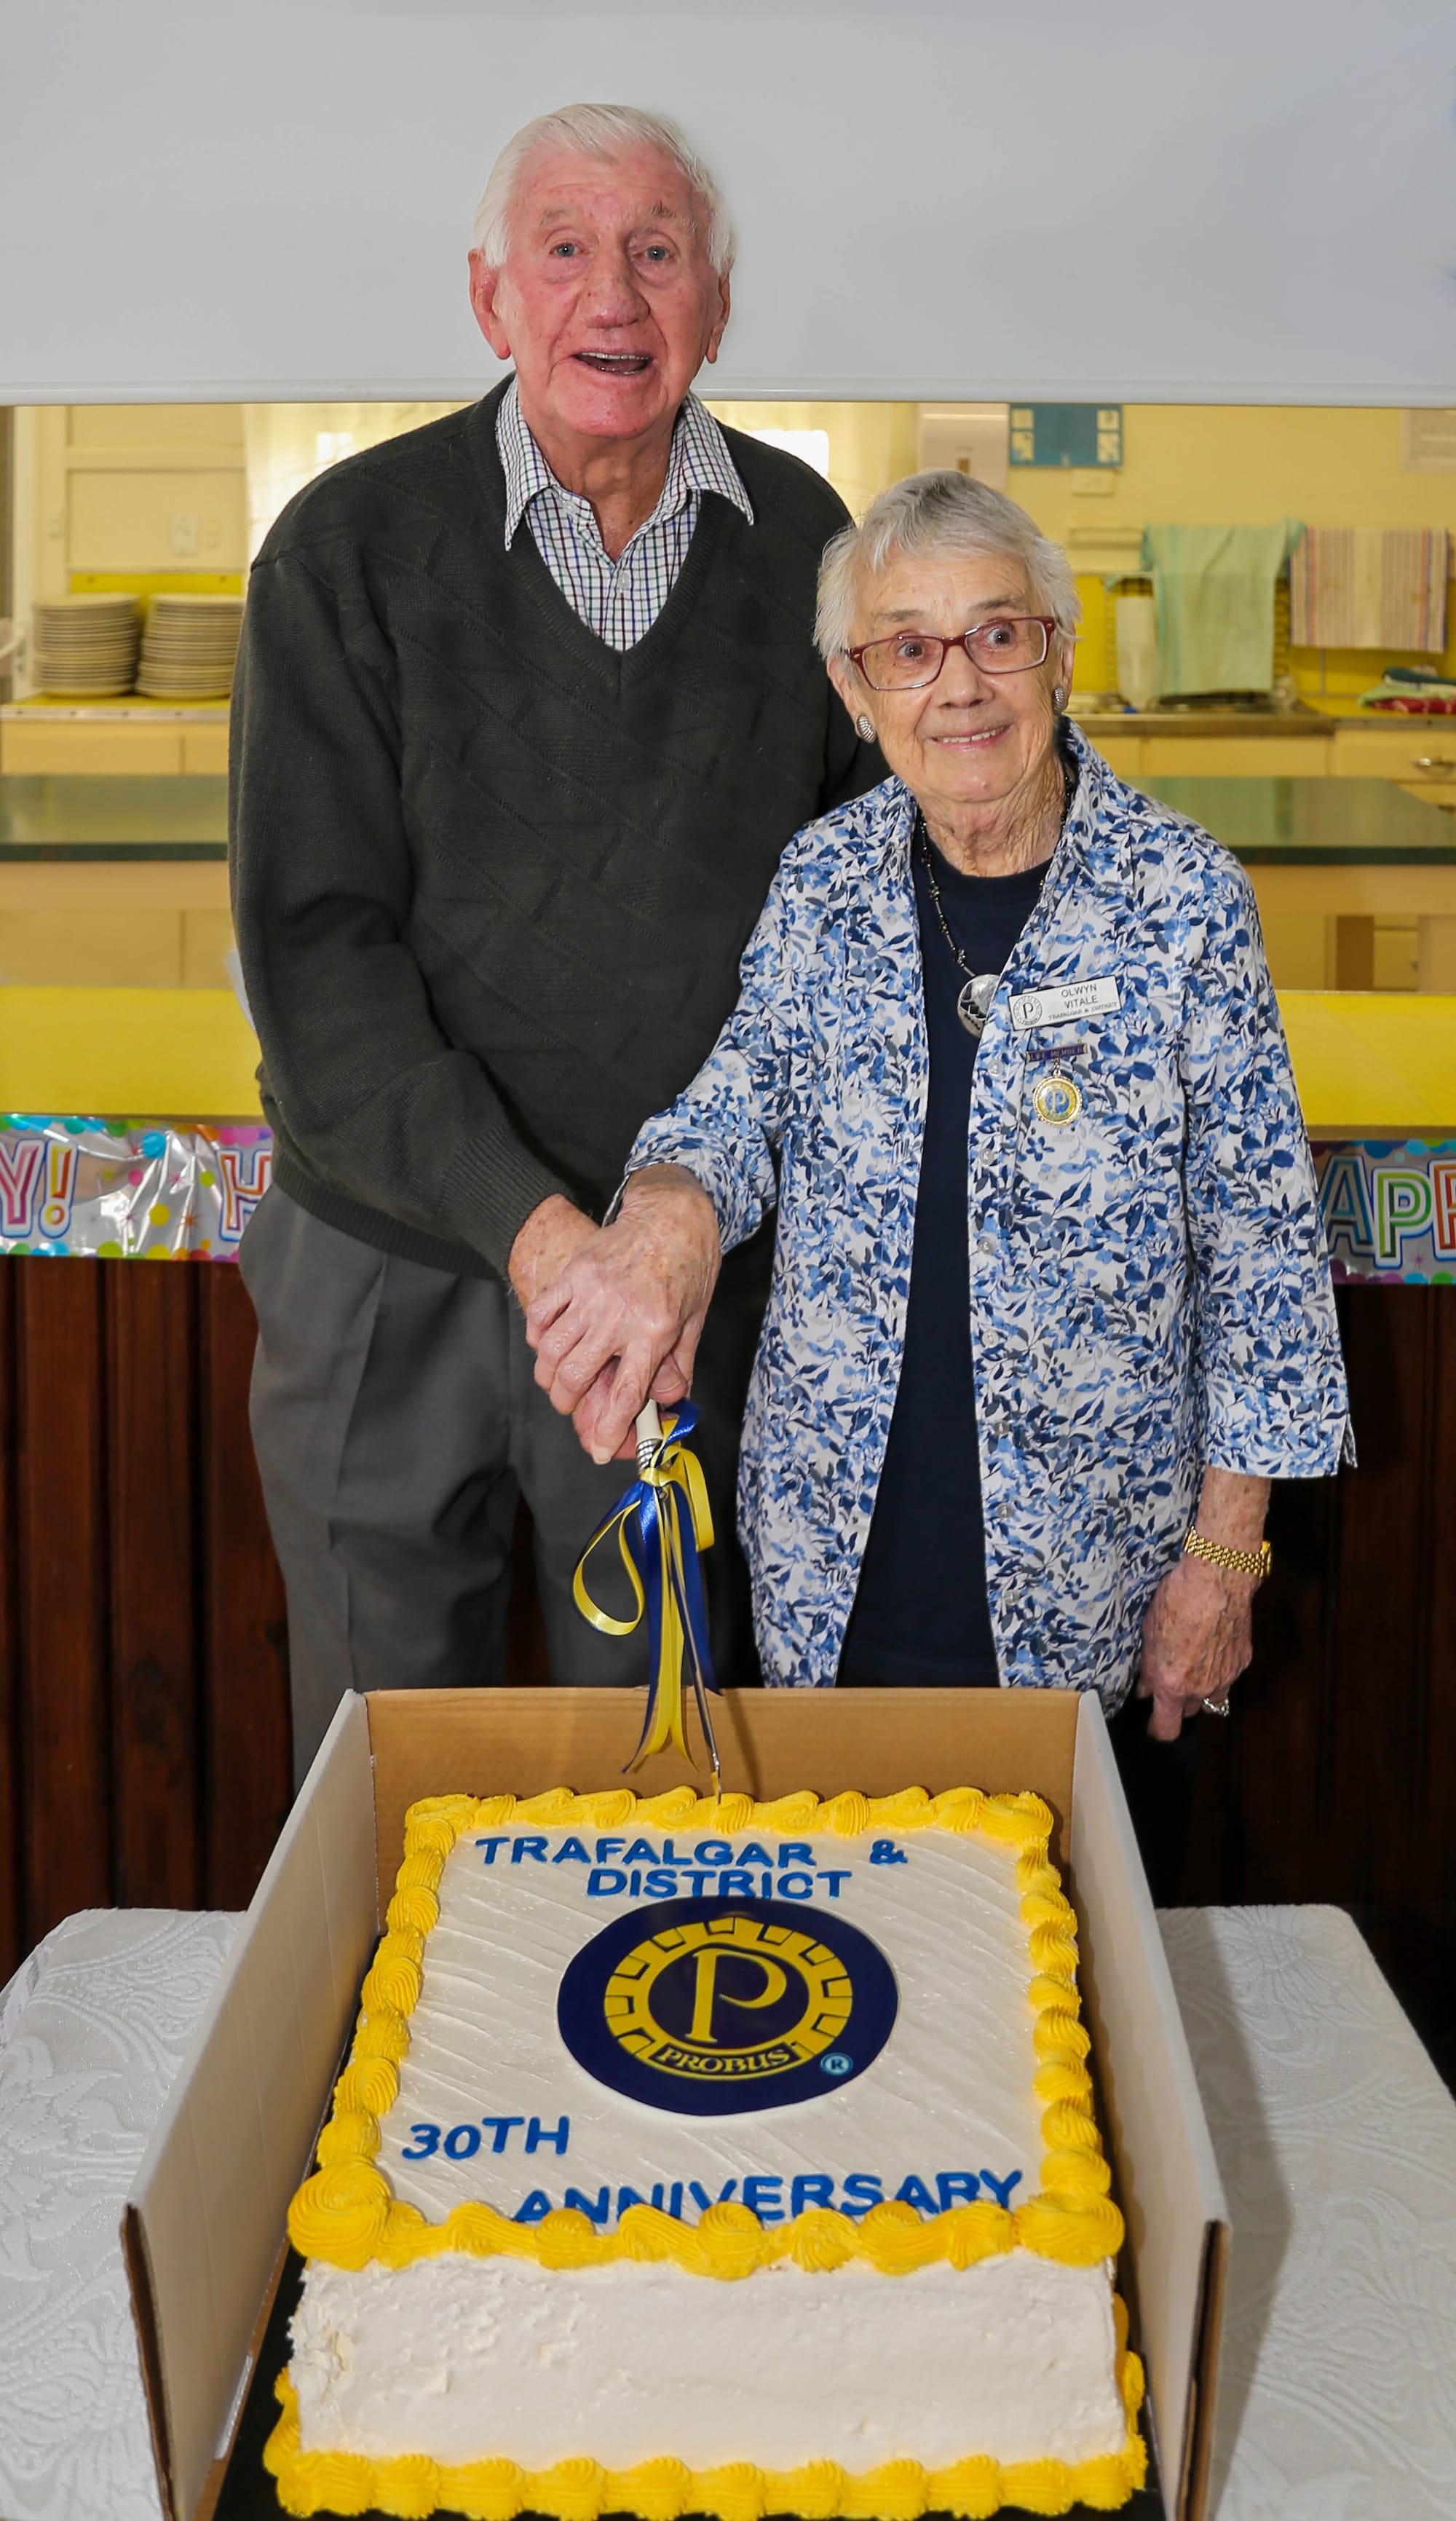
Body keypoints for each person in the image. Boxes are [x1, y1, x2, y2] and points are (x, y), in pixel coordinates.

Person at [526, 471, 1353, 1893]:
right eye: (907, 647)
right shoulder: (824, 884)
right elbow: (738, 1105)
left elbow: (1263, 1256)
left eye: (996, 635)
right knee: (843, 1965)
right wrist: (668, 1198)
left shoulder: (1181, 898)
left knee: (1066, 2006)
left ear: (1059, 654)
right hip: (834, 1568)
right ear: (858, 689)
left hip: (1091, 1575)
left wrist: (1225, 1565)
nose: (956, 686)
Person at [229, 103, 879, 1782]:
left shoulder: (818, 555)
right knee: (384, 1772)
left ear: (716, 307)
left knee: (658, 1784)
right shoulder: (344, 551)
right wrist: (545, 1249)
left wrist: (660, 1233)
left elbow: (847, 944)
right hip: (393, 1271)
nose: (615, 292)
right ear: (488, 296)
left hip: (687, 1288)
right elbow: (317, 955)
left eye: (658, 252)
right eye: (567, 248)